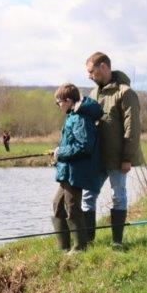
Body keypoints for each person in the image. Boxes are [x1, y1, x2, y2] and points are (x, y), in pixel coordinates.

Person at [86, 51, 143, 247]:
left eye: (91, 71)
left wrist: (127, 157)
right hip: (96, 159)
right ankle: (88, 241)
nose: (89, 76)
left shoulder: (126, 92)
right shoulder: (93, 93)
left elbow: (132, 128)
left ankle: (117, 242)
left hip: (118, 159)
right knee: (88, 196)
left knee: (118, 197)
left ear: (104, 67)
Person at [51, 83, 103, 253]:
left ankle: (80, 247)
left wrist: (61, 153)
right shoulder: (72, 116)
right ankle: (63, 248)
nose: (58, 106)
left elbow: (84, 146)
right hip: (68, 170)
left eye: (58, 102)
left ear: (67, 100)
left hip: (76, 172)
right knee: (57, 205)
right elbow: (71, 145)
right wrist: (58, 154)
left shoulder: (80, 118)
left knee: (72, 207)